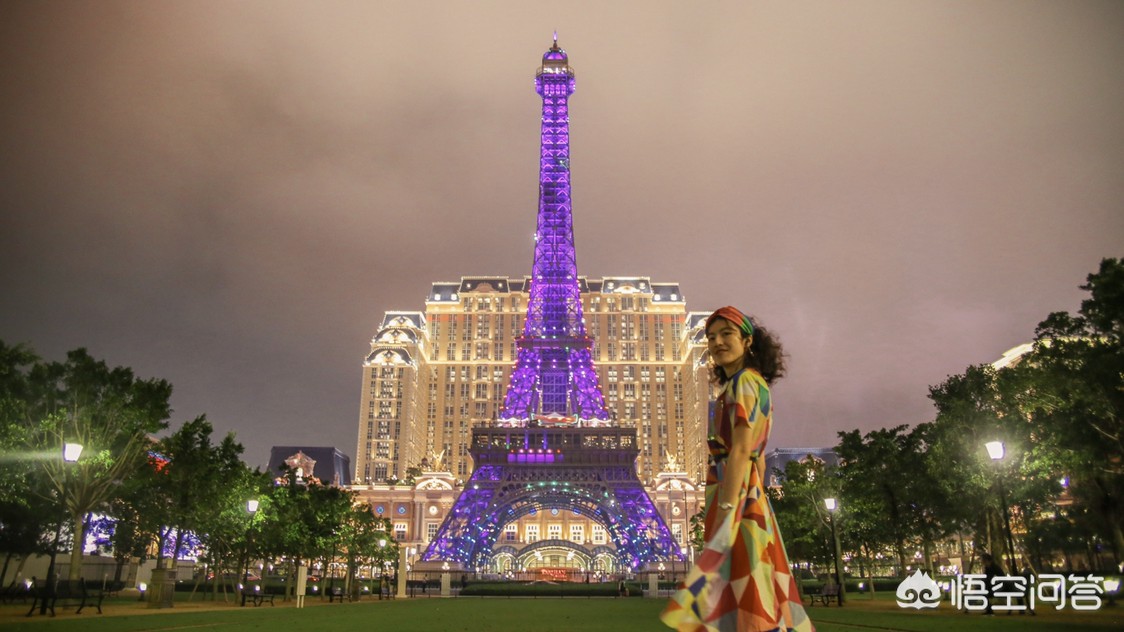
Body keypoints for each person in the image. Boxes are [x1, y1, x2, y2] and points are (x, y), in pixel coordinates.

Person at [661, 307, 814, 632]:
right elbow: (757, 458)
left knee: (741, 581)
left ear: (748, 341)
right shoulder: (744, 384)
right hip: (749, 494)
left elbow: (744, 449)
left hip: (737, 496)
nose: (717, 342)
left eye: (726, 334)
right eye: (711, 337)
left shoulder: (744, 382)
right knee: (753, 579)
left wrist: (729, 507)